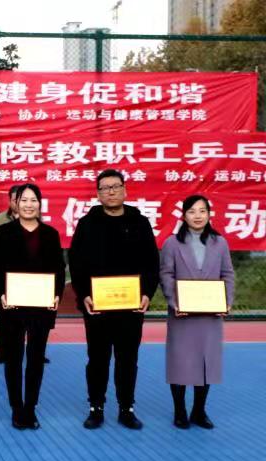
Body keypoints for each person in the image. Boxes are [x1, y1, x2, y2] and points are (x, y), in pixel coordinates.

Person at [68, 169, 159, 430]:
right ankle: (96, 407)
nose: (111, 191)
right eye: (105, 188)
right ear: (98, 194)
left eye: (116, 186)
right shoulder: (87, 224)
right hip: (97, 306)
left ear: (125, 190)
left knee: (127, 358)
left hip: (130, 306)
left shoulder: (140, 222)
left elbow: (152, 262)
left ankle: (126, 408)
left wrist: (146, 293)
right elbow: (76, 262)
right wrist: (84, 294)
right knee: (97, 358)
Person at [0, 185, 65, 430]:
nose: (28, 205)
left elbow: (59, 269)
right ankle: (16, 408)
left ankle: (30, 408)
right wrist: (1, 293)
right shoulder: (4, 232)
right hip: (13, 305)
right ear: (16, 203)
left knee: (35, 359)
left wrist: (56, 295)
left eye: (33, 200)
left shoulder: (50, 234)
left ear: (40, 204)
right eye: (24, 200)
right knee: (13, 359)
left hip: (41, 306)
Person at [160, 195, 234, 430]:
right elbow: (166, 274)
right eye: (192, 211)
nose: (198, 216)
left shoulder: (219, 243)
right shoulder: (172, 243)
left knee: (206, 363)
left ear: (209, 214)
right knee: (180, 362)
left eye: (202, 211)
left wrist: (226, 301)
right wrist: (175, 302)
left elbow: (227, 274)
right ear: (184, 215)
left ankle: (199, 411)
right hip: (182, 314)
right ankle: (180, 411)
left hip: (210, 316)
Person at [0, 184, 19, 365]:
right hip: (7, 274)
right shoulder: (0, 219)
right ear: (10, 201)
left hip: (29, 276)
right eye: (16, 199)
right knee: (5, 315)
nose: (20, 203)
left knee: (32, 316)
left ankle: (36, 352)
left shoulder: (35, 217)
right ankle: (2, 351)